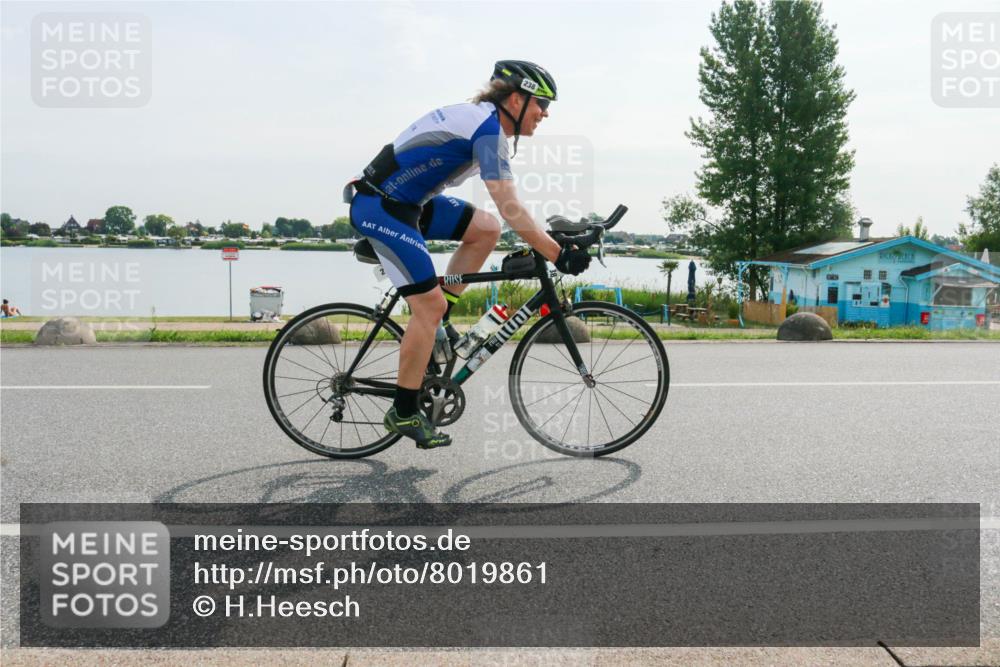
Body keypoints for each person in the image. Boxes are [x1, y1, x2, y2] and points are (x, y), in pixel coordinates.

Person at [347, 60, 591, 449]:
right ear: (516, 98)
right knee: (426, 307)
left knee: (486, 229)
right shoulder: (488, 130)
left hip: (409, 204)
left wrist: (548, 243)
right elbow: (511, 205)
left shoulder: (486, 124)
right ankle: (404, 410)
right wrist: (556, 253)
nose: (545, 114)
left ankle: (438, 326)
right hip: (381, 207)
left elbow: (504, 216)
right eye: (541, 104)